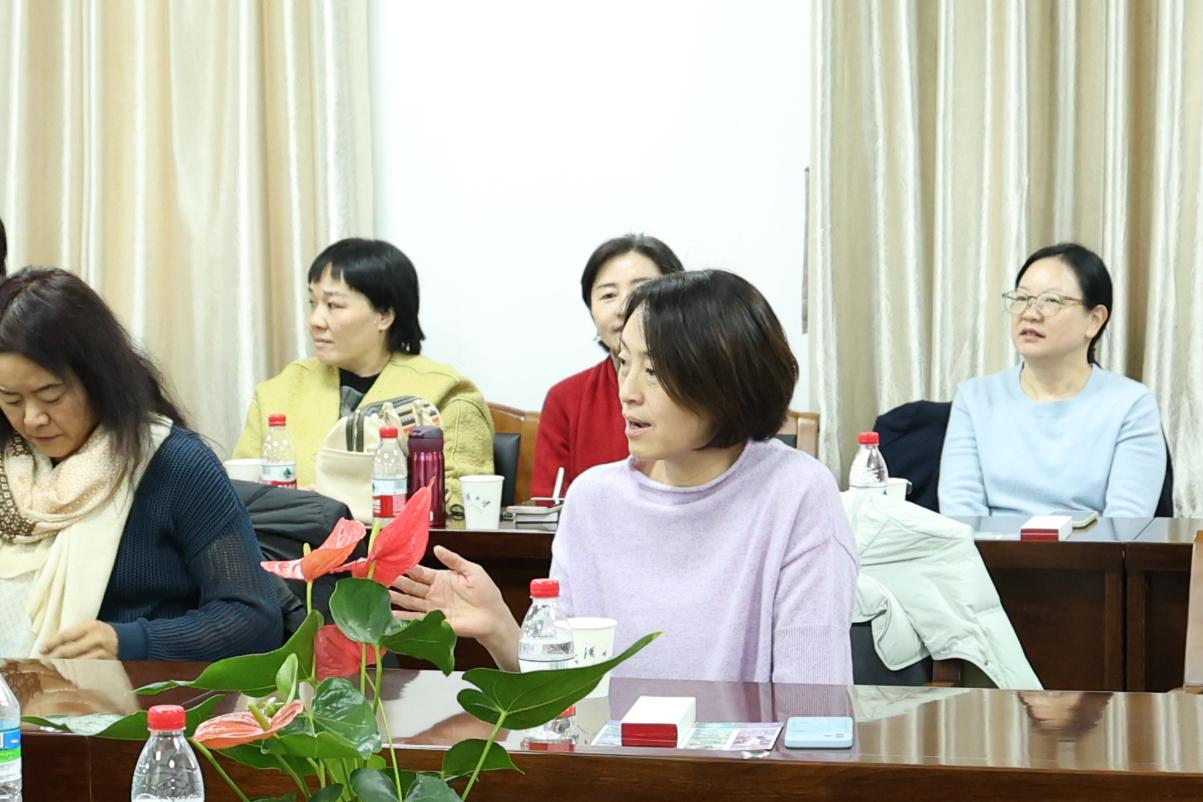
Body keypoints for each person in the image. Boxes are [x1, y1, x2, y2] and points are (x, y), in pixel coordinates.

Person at [393, 270, 858, 684]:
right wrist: (500, 627)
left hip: (748, 756)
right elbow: (566, 691)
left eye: (653, 370)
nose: (628, 391)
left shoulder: (797, 492)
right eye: (622, 362)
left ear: (726, 379)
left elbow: (813, 702)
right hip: (609, 754)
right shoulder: (594, 497)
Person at [0, 268, 281, 660]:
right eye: (11, 399)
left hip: (133, 693)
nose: (32, 418)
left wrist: (131, 642)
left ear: (99, 379)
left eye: (51, 396)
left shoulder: (173, 464)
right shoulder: (8, 465)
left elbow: (254, 619)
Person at [232, 238, 494, 510]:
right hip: (286, 537)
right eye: (313, 303)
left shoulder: (445, 394)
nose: (315, 321)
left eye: (333, 305)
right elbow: (239, 490)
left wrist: (340, 504)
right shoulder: (281, 390)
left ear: (384, 315)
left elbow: (462, 505)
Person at [939, 243, 1166, 517]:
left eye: (1050, 301)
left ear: (1094, 320)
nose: (1029, 313)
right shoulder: (975, 398)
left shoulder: (1131, 405)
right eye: (1022, 298)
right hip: (987, 546)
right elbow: (961, 517)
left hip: (1093, 545)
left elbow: (1125, 525)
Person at [530, 234, 684, 498]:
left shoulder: (700, 388)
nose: (624, 308)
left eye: (642, 290)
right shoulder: (565, 399)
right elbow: (547, 507)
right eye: (609, 295)